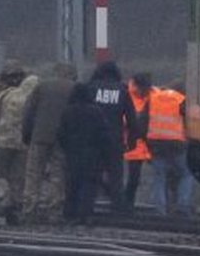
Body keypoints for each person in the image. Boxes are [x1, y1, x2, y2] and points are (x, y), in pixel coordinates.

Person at [21, 63, 76, 224]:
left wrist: (26, 135)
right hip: (61, 138)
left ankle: (29, 211)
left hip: (39, 136)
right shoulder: (74, 88)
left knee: (33, 174)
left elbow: (29, 112)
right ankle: (54, 212)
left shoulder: (41, 86)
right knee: (57, 176)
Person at [0, 70, 38, 225]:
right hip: (23, 144)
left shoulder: (7, 93)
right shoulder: (33, 100)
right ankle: (17, 207)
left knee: (1, 175)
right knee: (18, 178)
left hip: (2, 142)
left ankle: (5, 200)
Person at [88, 61, 138, 213]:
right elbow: (131, 119)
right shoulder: (122, 91)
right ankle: (118, 206)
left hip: (94, 140)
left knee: (92, 173)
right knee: (115, 175)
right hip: (114, 140)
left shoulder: (91, 88)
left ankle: (88, 205)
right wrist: (132, 141)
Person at [57, 83, 110, 223]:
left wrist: (66, 148)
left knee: (72, 184)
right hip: (92, 154)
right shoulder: (96, 112)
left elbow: (61, 133)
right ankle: (85, 214)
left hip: (73, 153)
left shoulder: (67, 111)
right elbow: (104, 134)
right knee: (89, 184)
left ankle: (70, 213)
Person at [146, 81, 194, 217]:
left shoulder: (154, 98)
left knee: (159, 176)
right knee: (186, 174)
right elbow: (189, 122)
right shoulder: (182, 100)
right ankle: (183, 206)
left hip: (156, 143)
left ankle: (159, 210)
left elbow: (144, 120)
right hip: (176, 144)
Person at [123, 73, 154, 212]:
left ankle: (128, 204)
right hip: (127, 143)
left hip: (141, 145)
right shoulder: (124, 94)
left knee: (134, 179)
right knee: (128, 178)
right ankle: (124, 203)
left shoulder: (152, 96)